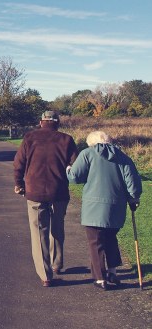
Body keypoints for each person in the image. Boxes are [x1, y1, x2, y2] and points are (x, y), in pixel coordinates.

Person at [66, 131, 142, 290]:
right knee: (110, 238)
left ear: (91, 143)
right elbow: (132, 183)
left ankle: (100, 278)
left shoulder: (87, 154)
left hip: (93, 208)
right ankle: (112, 272)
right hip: (116, 207)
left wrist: (68, 169)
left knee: (95, 242)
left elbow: (74, 177)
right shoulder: (123, 157)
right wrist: (134, 199)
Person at [13, 111, 78, 287]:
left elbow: (18, 163)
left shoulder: (29, 138)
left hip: (35, 192)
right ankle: (57, 264)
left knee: (39, 232)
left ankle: (45, 275)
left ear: (41, 122)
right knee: (57, 228)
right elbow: (75, 166)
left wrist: (19, 183)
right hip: (59, 192)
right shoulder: (67, 139)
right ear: (57, 123)